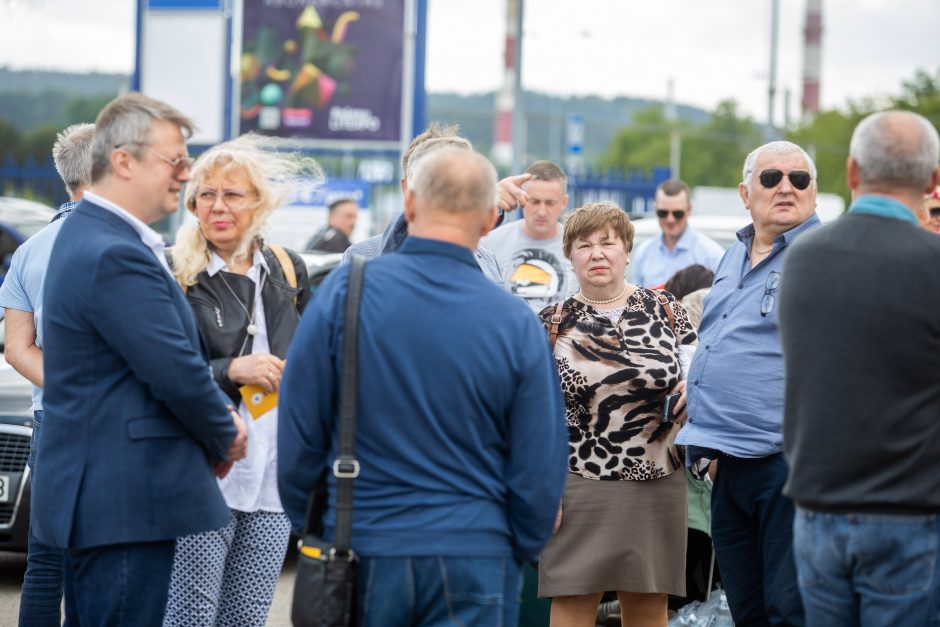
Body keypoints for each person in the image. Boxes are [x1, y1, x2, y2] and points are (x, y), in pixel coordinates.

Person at [279, 148, 568, 627]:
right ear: (486, 221)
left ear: (409, 205)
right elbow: (541, 459)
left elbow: (298, 433)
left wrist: (318, 525)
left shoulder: (346, 294)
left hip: (363, 546)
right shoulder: (514, 321)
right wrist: (511, 544)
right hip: (476, 553)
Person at [31, 92, 247, 626]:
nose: (185, 174)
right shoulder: (114, 251)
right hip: (123, 500)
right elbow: (172, 367)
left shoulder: (93, 235)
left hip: (109, 498)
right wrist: (225, 431)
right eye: (175, 160)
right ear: (123, 161)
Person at [779, 110, 940, 626]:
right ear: (933, 180)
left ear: (851, 173)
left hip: (816, 509)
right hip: (908, 513)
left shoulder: (803, 258)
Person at [162, 134, 313, 626]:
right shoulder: (176, 273)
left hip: (272, 472)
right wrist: (231, 371)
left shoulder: (287, 269)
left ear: (259, 203)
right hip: (205, 471)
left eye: (232, 194)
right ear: (192, 203)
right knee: (191, 615)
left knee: (247, 617)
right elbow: (158, 370)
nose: (218, 206)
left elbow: (312, 354)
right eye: (207, 194)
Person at [675, 140, 821, 627]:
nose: (786, 187)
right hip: (728, 464)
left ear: (814, 192)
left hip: (787, 465)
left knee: (789, 609)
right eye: (772, 178)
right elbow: (714, 338)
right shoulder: (731, 256)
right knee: (746, 608)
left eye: (799, 179)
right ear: (745, 192)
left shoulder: (822, 259)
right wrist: (694, 386)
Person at [537, 201, 697, 627]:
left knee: (648, 605)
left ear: (627, 250)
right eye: (584, 245)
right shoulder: (550, 322)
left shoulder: (667, 309)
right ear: (570, 257)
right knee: (572, 601)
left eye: (608, 243)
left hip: (658, 478)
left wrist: (692, 387)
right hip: (576, 482)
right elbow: (533, 415)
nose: (597, 253)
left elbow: (701, 371)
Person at [0, 122, 94, 627]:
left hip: (50, 421)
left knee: (45, 562)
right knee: (94, 563)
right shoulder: (118, 243)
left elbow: (17, 350)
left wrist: (67, 388)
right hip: (106, 424)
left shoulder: (29, 251)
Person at [342, 122, 530, 281]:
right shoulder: (362, 257)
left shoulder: (487, 259)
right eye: (431, 184)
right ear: (407, 189)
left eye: (460, 184)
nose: (447, 196)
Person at [481, 160, 579, 312]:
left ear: (564, 202)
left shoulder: (579, 246)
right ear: (522, 197)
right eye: (534, 201)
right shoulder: (488, 242)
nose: (541, 211)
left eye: (549, 203)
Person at [633, 179, 725, 288]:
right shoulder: (643, 252)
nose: (670, 219)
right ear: (655, 208)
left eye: (677, 213)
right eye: (663, 213)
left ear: (689, 209)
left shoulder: (712, 255)